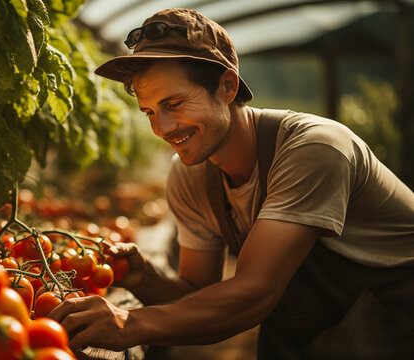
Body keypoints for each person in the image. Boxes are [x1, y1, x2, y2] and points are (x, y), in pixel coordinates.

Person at [47, 8, 414, 359]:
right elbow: (200, 296)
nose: (162, 128)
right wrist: (145, 280)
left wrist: (128, 322)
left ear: (226, 85)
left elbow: (254, 293)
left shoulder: (315, 148)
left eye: (175, 103)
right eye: (150, 112)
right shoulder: (190, 175)